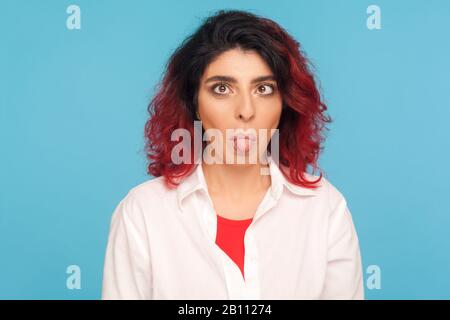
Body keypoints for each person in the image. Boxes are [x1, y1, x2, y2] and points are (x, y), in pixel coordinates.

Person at [101, 9, 364, 300]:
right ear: (194, 103)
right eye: (222, 89)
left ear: (285, 103)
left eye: (263, 88)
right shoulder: (142, 212)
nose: (246, 111)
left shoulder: (325, 208)